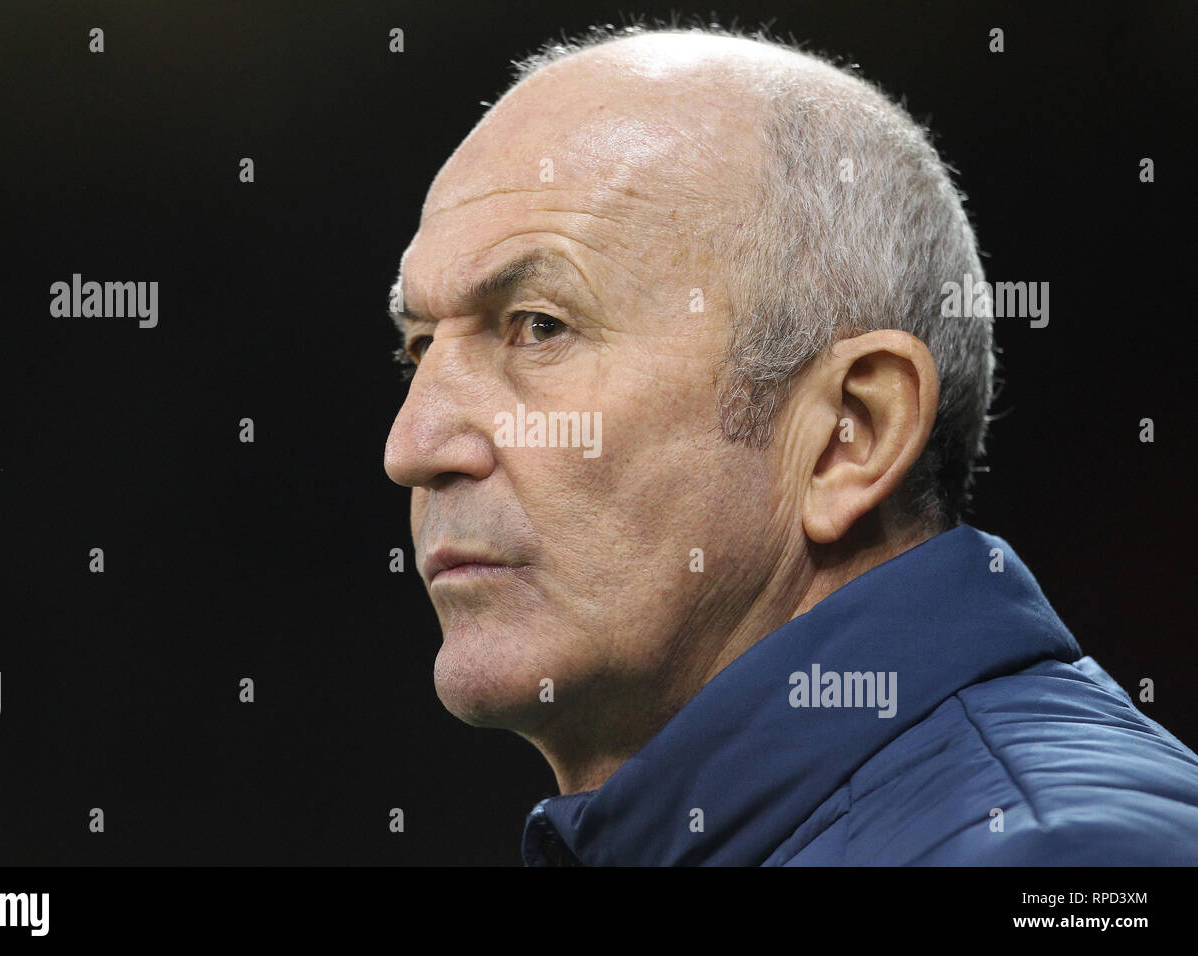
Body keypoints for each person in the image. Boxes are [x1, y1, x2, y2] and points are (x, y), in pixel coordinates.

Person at [382, 25, 1198, 865]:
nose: (411, 448)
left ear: (852, 435)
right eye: (418, 349)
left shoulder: (1063, 860)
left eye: (539, 327)